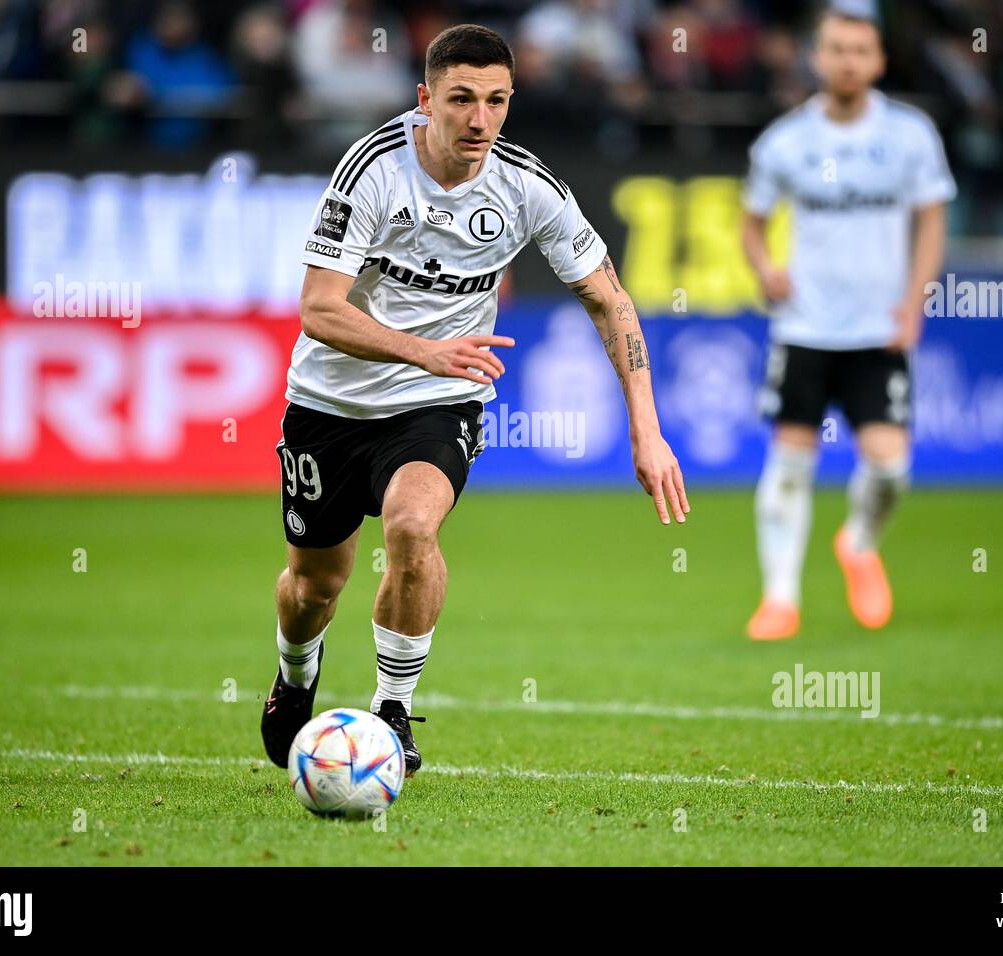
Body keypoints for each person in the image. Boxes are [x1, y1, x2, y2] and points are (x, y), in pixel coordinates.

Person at [262, 24, 689, 773]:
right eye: (461, 99)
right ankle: (295, 673)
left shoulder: (528, 187)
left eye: (496, 101)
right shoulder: (371, 171)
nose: (479, 119)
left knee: (413, 525)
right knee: (314, 585)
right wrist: (427, 347)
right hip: (329, 402)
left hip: (437, 401)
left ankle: (391, 711)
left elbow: (611, 300)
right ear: (426, 100)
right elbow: (320, 309)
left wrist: (647, 432)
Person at [741, 8, 954, 642]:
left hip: (878, 328)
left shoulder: (910, 134)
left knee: (890, 467)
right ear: (817, 56)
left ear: (879, 60)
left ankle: (859, 542)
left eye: (860, 50)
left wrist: (915, 301)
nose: (848, 60)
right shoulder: (784, 142)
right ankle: (779, 598)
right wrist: (765, 268)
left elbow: (931, 220)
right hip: (803, 327)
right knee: (789, 463)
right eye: (836, 49)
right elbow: (751, 223)